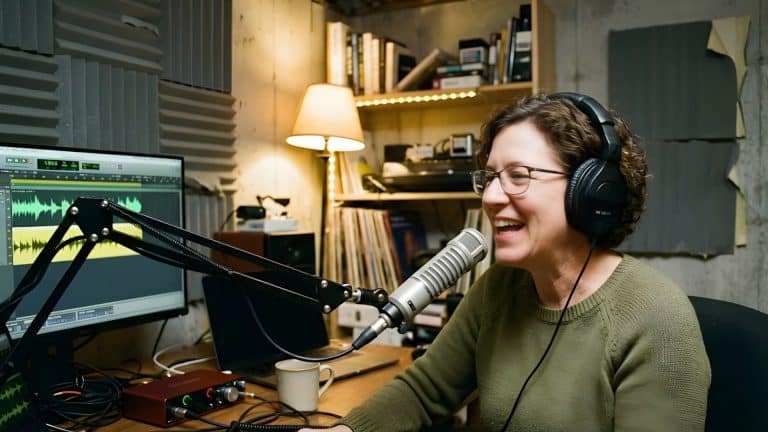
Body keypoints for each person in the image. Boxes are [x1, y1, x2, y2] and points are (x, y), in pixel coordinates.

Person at [303, 93, 711, 431]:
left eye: (518, 175)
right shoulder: (498, 288)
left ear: (591, 192)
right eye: (490, 177)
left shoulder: (657, 319)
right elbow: (423, 390)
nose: (492, 197)